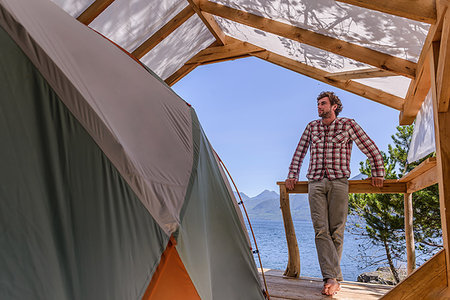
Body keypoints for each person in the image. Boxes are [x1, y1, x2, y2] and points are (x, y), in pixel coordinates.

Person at [285, 91, 385, 296]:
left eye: (323, 103)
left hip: (339, 182)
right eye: (318, 104)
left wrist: (378, 173)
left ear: (334, 107)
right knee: (321, 230)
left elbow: (370, 148)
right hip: (315, 182)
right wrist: (292, 174)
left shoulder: (348, 125)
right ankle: (332, 278)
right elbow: (300, 151)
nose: (319, 107)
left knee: (336, 231)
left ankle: (331, 279)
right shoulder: (311, 127)